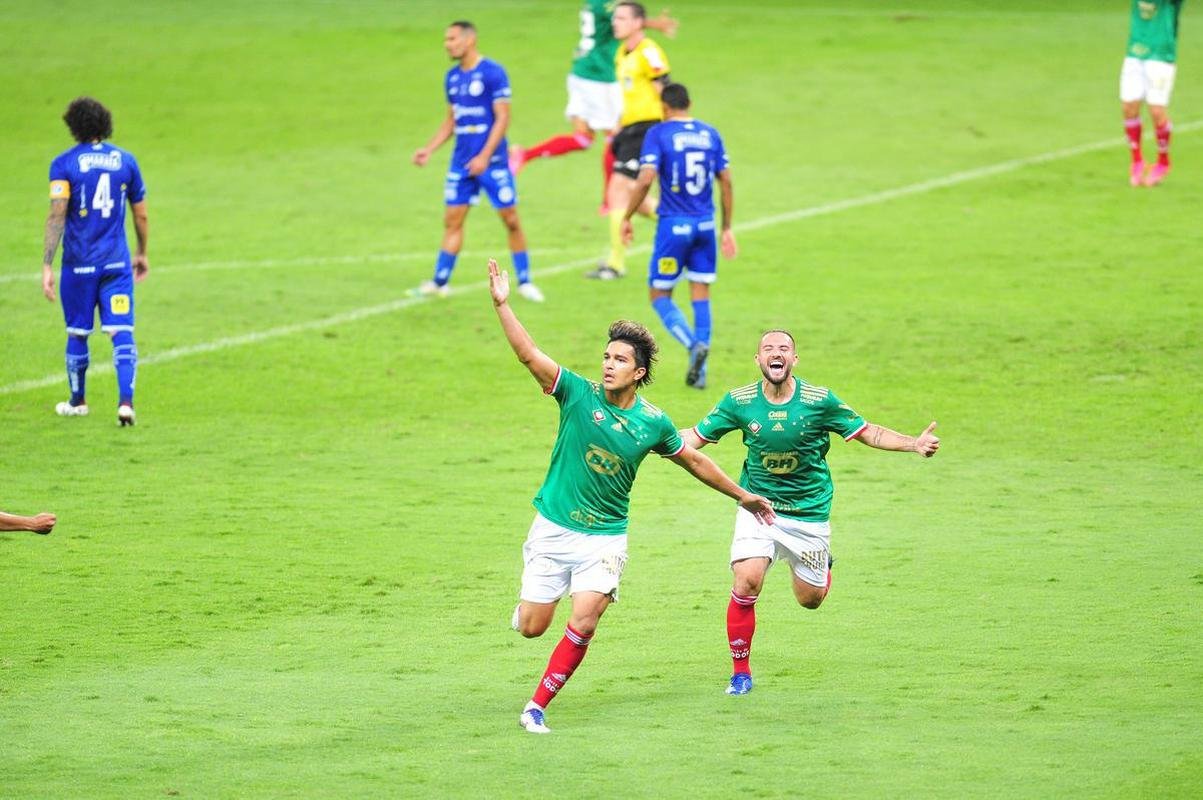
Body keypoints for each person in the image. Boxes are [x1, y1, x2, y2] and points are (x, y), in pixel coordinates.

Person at [488, 257, 775, 733]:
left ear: (638, 372)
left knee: (585, 619)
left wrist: (741, 496)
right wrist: (503, 305)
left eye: (619, 360)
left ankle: (535, 706)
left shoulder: (653, 422)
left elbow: (694, 460)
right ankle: (524, 613)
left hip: (604, 538)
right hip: (555, 528)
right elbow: (529, 354)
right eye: (606, 357)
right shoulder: (577, 395)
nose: (608, 365)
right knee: (534, 625)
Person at [679, 330, 940, 696]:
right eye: (768, 349)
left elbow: (868, 432)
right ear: (758, 360)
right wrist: (647, 439)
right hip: (759, 508)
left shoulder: (820, 401)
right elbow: (694, 437)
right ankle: (740, 673)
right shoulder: (738, 401)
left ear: (794, 360)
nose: (776, 353)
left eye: (784, 349)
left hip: (808, 513)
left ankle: (823, 566)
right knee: (747, 581)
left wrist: (913, 444)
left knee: (810, 600)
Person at [411, 21, 543, 301]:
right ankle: (439, 282)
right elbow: (452, 120)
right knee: (452, 221)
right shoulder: (452, 77)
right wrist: (429, 149)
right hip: (461, 163)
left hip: (492, 162)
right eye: (446, 39)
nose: (447, 44)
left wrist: (484, 156)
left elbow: (503, 117)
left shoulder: (493, 73)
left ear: (469, 40)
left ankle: (525, 281)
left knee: (511, 220)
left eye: (452, 39)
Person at [508, 2, 677, 214]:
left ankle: (524, 155)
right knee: (615, 135)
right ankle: (610, 199)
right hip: (599, 75)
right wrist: (652, 23)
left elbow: (623, 19)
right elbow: (626, 18)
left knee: (583, 138)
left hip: (581, 70)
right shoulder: (609, 5)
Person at [42, 96, 148, 426]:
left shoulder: (63, 164)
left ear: (74, 126)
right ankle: (126, 404)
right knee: (121, 332)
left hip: (79, 265)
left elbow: (58, 214)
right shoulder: (127, 161)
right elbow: (141, 215)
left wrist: (47, 262)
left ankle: (78, 401)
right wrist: (142, 252)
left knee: (78, 333)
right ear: (105, 123)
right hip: (116, 265)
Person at [621, 83, 734, 390]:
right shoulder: (710, 133)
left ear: (664, 107)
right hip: (705, 226)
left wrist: (628, 215)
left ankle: (691, 345)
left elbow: (645, 178)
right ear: (690, 103)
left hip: (673, 227)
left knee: (659, 295)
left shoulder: (658, 134)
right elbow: (725, 181)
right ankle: (702, 373)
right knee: (701, 293)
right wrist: (726, 227)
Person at [586, 1, 671, 280]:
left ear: (637, 23)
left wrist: (669, 131)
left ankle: (615, 263)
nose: (615, 23)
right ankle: (687, 226)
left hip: (648, 129)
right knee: (638, 199)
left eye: (621, 18)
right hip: (629, 130)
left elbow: (664, 93)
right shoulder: (622, 53)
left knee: (618, 189)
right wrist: (617, 126)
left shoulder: (649, 52)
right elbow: (632, 96)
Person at [1121, 0, 1185, 186]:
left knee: (1156, 111)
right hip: (1135, 52)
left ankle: (1163, 162)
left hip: (1161, 54)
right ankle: (1137, 160)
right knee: (1128, 107)